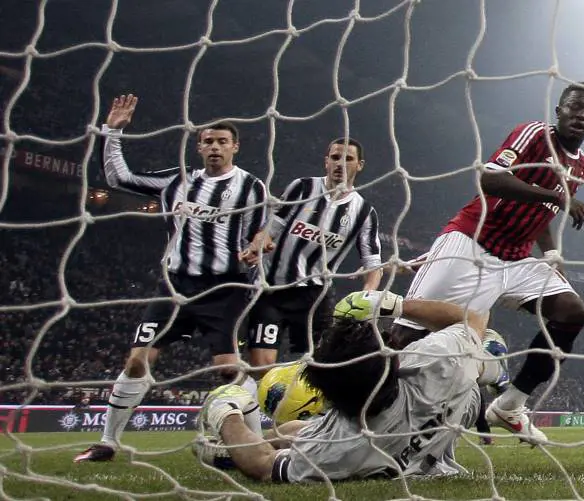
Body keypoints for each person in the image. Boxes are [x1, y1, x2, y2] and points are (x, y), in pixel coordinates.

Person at [390, 82, 584, 444]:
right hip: (472, 243)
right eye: (575, 107)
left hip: (515, 259)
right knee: (405, 336)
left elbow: (543, 213)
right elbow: (489, 178)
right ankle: (361, 413)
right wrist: (556, 196)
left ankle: (510, 405)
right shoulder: (534, 134)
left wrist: (551, 255)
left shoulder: (582, 166)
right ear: (559, 111)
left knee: (571, 312)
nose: (582, 115)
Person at [74, 94, 267, 462]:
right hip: (175, 286)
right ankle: (108, 442)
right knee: (137, 361)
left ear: (235, 147)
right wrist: (112, 131)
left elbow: (260, 230)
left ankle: (256, 444)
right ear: (199, 147)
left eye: (222, 141)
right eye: (208, 141)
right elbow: (119, 178)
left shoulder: (250, 187)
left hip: (223, 289)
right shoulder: (177, 181)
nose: (215, 147)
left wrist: (256, 247)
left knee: (229, 368)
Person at [194, 290, 508, 482]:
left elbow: (263, 466)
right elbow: (474, 320)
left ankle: (232, 449)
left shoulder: (336, 447)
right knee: (488, 347)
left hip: (370, 443)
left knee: (289, 434)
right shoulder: (432, 364)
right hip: (449, 415)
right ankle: (495, 371)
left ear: (331, 400)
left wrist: (226, 412)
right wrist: (395, 305)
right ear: (393, 365)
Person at [239, 137, 382, 379]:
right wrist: (258, 245)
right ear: (326, 161)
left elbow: (373, 263)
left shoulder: (364, 212)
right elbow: (271, 228)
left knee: (321, 365)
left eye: (348, 159)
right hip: (271, 289)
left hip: (314, 296)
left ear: (359, 165)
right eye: (335, 157)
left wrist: (368, 292)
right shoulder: (302, 188)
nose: (340, 164)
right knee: (261, 367)